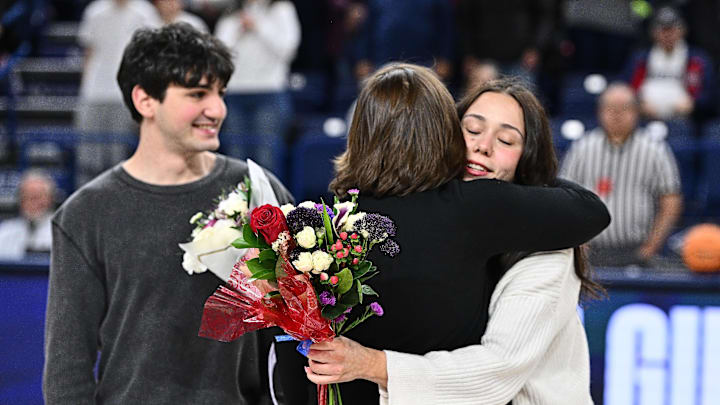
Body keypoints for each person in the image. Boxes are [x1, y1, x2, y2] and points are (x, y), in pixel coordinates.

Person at [272, 63, 610, 405]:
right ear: (444, 134)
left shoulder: (318, 230)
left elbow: (496, 371)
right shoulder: (470, 209)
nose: (482, 146)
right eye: (472, 129)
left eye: (506, 140)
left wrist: (372, 363)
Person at [43, 23, 293, 404]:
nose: (218, 109)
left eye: (220, 93)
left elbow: (297, 330)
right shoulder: (85, 214)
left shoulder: (258, 191)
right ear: (145, 101)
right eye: (198, 94)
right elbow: (67, 369)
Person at [559, 83, 683, 267]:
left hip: (637, 250)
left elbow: (671, 201)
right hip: (589, 251)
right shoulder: (582, 148)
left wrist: (650, 247)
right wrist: (577, 244)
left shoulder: (655, 150)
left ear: (636, 111)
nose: (616, 115)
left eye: (624, 108)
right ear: (599, 111)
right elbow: (564, 199)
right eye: (610, 108)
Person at [74, 0, 161, 188]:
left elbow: (151, 56)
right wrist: (85, 87)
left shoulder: (144, 12)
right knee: (88, 152)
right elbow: (88, 51)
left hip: (124, 94)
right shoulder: (94, 11)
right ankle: (85, 201)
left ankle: (115, 198)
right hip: (94, 92)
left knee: (117, 153)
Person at [214, 0, 300, 175]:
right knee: (235, 160)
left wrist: (258, 27)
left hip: (269, 92)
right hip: (235, 94)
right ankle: (238, 203)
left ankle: (269, 203)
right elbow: (219, 52)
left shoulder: (281, 10)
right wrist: (239, 29)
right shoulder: (231, 13)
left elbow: (288, 49)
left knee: (267, 159)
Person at [625, 6, 715, 120]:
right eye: (663, 30)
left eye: (672, 29)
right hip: (644, 119)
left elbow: (709, 94)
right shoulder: (639, 58)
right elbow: (625, 88)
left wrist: (694, 104)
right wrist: (638, 103)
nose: (667, 35)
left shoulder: (698, 59)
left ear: (682, 30)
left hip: (684, 122)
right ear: (653, 32)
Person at [0, 170, 55, 260]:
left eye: (37, 197)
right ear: (20, 201)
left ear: (50, 199)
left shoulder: (60, 233)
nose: (33, 203)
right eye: (27, 197)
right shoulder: (4, 231)